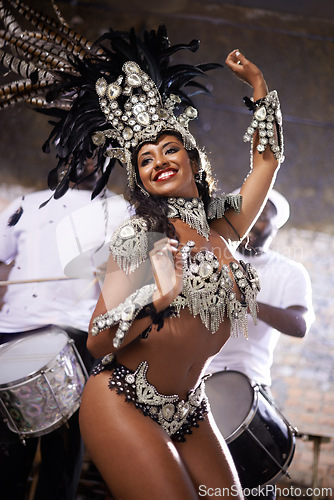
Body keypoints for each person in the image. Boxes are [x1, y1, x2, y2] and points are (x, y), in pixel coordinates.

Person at [0, 6, 285, 498]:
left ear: (191, 157)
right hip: (122, 397)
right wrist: (158, 297)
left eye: (169, 149)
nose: (159, 162)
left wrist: (258, 87)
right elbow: (96, 340)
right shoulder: (141, 239)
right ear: (139, 178)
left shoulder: (224, 225)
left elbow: (267, 161)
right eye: (145, 159)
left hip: (189, 407)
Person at [0, 162, 129, 500]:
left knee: (64, 454)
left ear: (104, 160)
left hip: (75, 339)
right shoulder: (26, 204)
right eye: (72, 150)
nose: (80, 158)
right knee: (7, 449)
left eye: (90, 152)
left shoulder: (117, 209)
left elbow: (125, 282)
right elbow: (1, 263)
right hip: (13, 334)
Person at [206, 189, 314, 497]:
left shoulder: (290, 271)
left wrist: (247, 300)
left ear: (276, 225)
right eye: (250, 215)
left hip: (250, 384)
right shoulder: (215, 258)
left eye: (264, 218)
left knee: (253, 483)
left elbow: (299, 325)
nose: (255, 224)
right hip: (196, 383)